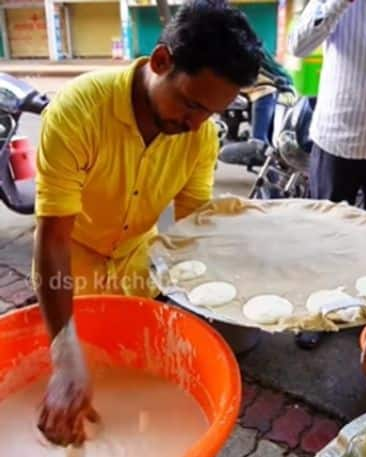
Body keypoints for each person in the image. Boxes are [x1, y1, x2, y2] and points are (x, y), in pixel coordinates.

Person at [32, 0, 264, 446]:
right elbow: (53, 238)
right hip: (70, 271)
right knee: (74, 387)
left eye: (210, 114)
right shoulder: (78, 112)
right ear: (161, 62)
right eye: (191, 104)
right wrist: (63, 351)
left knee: (132, 401)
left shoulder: (200, 136)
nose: (196, 125)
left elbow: (193, 230)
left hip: (139, 270)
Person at [288, 0, 366, 350]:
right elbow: (299, 45)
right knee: (327, 237)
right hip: (339, 140)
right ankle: (318, 313)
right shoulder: (345, 7)